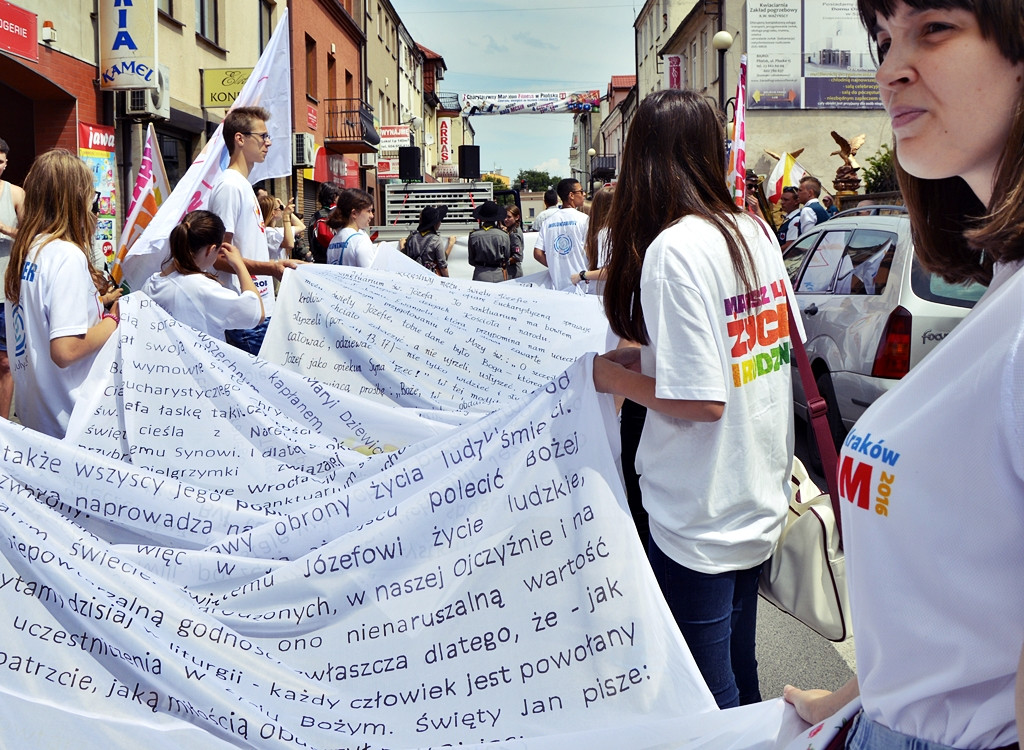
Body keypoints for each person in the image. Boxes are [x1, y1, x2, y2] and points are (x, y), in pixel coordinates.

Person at [785, 2, 1024, 748]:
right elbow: (969, 605)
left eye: (936, 27)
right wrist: (863, 697)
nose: (888, 69)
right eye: (884, 38)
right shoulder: (1004, 286)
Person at [593, 89, 797, 709]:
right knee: (739, 667)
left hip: (699, 511)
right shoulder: (753, 231)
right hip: (753, 491)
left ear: (644, 159)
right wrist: (646, 357)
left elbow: (704, 400)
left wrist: (615, 378)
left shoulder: (673, 250)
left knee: (706, 697)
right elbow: (744, 353)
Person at [3, 149, 120, 438]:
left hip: (40, 413)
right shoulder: (64, 255)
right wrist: (114, 320)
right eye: (90, 194)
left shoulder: (27, 250)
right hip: (71, 417)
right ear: (73, 197)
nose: (93, 202)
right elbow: (66, 350)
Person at [207, 106, 296, 354]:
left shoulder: (243, 185)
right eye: (262, 136)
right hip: (243, 315)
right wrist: (271, 268)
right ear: (240, 139)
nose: (268, 143)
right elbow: (219, 256)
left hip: (259, 309)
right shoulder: (229, 187)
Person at [142, 210, 263, 341]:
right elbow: (256, 313)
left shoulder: (150, 283)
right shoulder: (201, 287)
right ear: (211, 249)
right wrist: (239, 265)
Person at [0, 137, 25, 421]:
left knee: (6, 363)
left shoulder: (16, 194)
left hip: (5, 291)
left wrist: (5, 228)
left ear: (6, 164)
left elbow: (31, 232)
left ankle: (3, 428)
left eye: (0, 161)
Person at [534, 177, 589, 290]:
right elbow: (591, 251)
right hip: (582, 285)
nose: (584, 194)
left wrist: (555, 266)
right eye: (581, 191)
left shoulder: (548, 222)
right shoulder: (584, 219)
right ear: (571, 195)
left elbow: (538, 253)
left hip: (558, 287)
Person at [570, 185, 614, 293]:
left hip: (605, 296)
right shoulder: (611, 232)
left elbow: (608, 271)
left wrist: (581, 275)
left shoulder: (606, 233)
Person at [325, 188, 376, 267]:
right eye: (368, 211)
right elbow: (371, 274)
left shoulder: (333, 241)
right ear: (354, 213)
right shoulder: (360, 240)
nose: (371, 216)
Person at [402, 205, 454, 276]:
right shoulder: (436, 240)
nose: (440, 223)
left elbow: (406, 258)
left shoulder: (412, 238)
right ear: (434, 224)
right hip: (430, 278)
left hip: (414, 276)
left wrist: (402, 246)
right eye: (439, 221)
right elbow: (442, 265)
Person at [467, 201, 509, 283]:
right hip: (498, 274)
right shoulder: (504, 236)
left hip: (480, 274)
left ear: (482, 218)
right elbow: (506, 258)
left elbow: (471, 260)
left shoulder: (473, 235)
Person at [259, 195, 305, 262]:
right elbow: (289, 244)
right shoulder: (267, 232)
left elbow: (301, 226)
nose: (282, 210)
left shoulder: (276, 230)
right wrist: (286, 216)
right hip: (273, 271)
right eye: (280, 207)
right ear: (273, 212)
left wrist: (283, 206)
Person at [308, 181, 341, 263]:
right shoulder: (341, 215)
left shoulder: (314, 217)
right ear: (335, 196)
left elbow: (311, 240)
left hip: (318, 262)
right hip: (336, 261)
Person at [504, 205, 525, 279]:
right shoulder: (510, 230)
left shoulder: (514, 234)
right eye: (505, 217)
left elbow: (518, 256)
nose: (506, 219)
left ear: (517, 217)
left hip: (513, 273)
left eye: (509, 217)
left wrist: (504, 262)